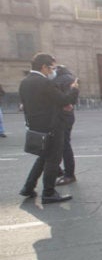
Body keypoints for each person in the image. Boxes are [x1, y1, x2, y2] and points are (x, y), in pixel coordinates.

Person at [19, 53, 79, 204]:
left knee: (43, 157)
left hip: (36, 127)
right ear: (44, 67)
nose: (53, 70)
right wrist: (74, 89)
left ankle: (28, 187)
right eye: (51, 67)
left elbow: (24, 106)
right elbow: (65, 100)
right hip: (52, 126)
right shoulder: (44, 83)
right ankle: (49, 192)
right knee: (53, 159)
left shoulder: (25, 82)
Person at [53, 65, 78, 185]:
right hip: (65, 116)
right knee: (60, 145)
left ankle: (68, 174)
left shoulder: (63, 79)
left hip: (63, 116)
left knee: (64, 145)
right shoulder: (69, 78)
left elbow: (69, 101)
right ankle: (62, 172)